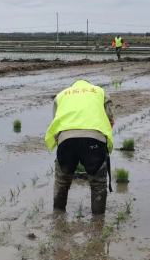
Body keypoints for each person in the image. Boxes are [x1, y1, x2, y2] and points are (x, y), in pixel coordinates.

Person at [45, 79, 115, 215]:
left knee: (62, 182)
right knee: (98, 185)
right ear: (89, 85)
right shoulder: (99, 92)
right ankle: (98, 222)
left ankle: (58, 218)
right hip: (94, 138)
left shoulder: (62, 95)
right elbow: (110, 119)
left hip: (66, 139)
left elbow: (56, 121)